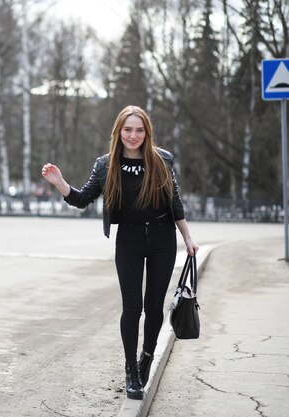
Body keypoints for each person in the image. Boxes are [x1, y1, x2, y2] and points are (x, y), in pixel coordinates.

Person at [41, 105, 199, 400]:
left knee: (154, 308)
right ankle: (131, 371)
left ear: (146, 132)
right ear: (118, 131)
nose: (133, 135)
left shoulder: (162, 160)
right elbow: (81, 199)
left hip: (163, 238)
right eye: (128, 130)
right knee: (132, 307)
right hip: (129, 238)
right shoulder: (105, 165)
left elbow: (175, 203)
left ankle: (147, 357)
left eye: (139, 130)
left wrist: (187, 238)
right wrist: (60, 183)